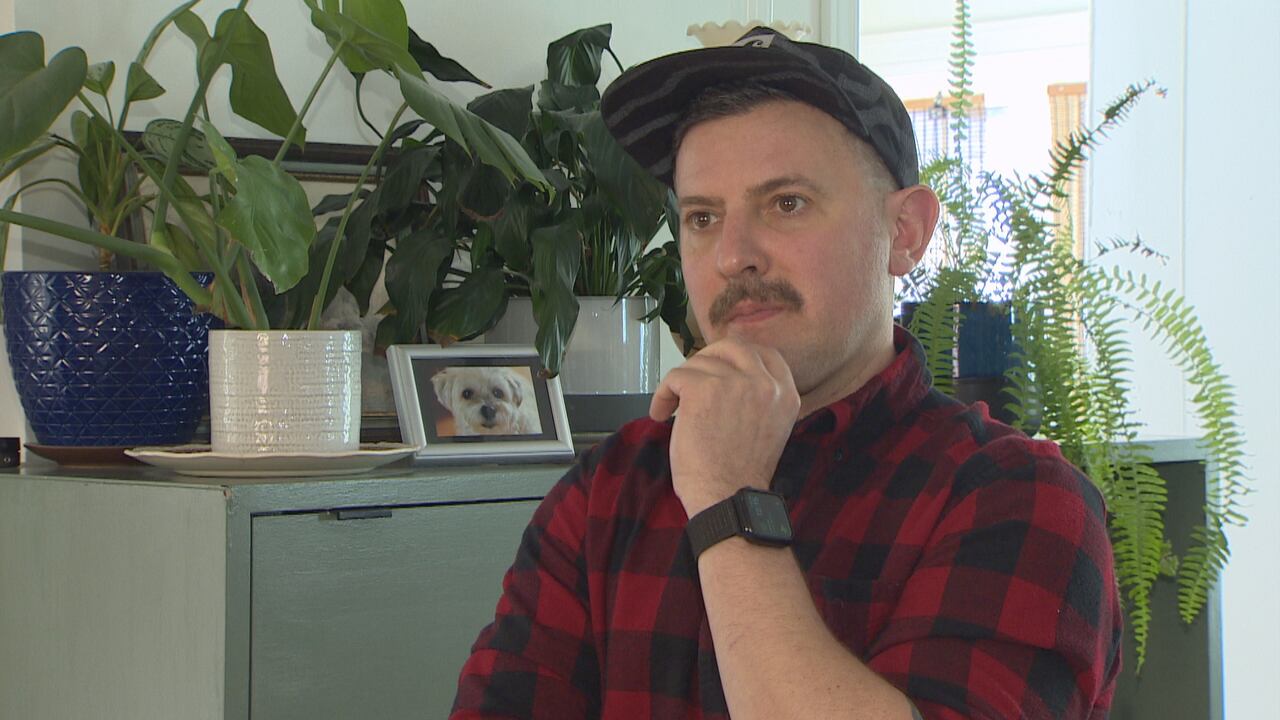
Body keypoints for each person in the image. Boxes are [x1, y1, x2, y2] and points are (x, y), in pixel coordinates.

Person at [451, 27, 1121, 720]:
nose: (733, 255)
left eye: (786, 203)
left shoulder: (1018, 501)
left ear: (906, 232)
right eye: (703, 217)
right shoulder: (607, 493)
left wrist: (730, 503)